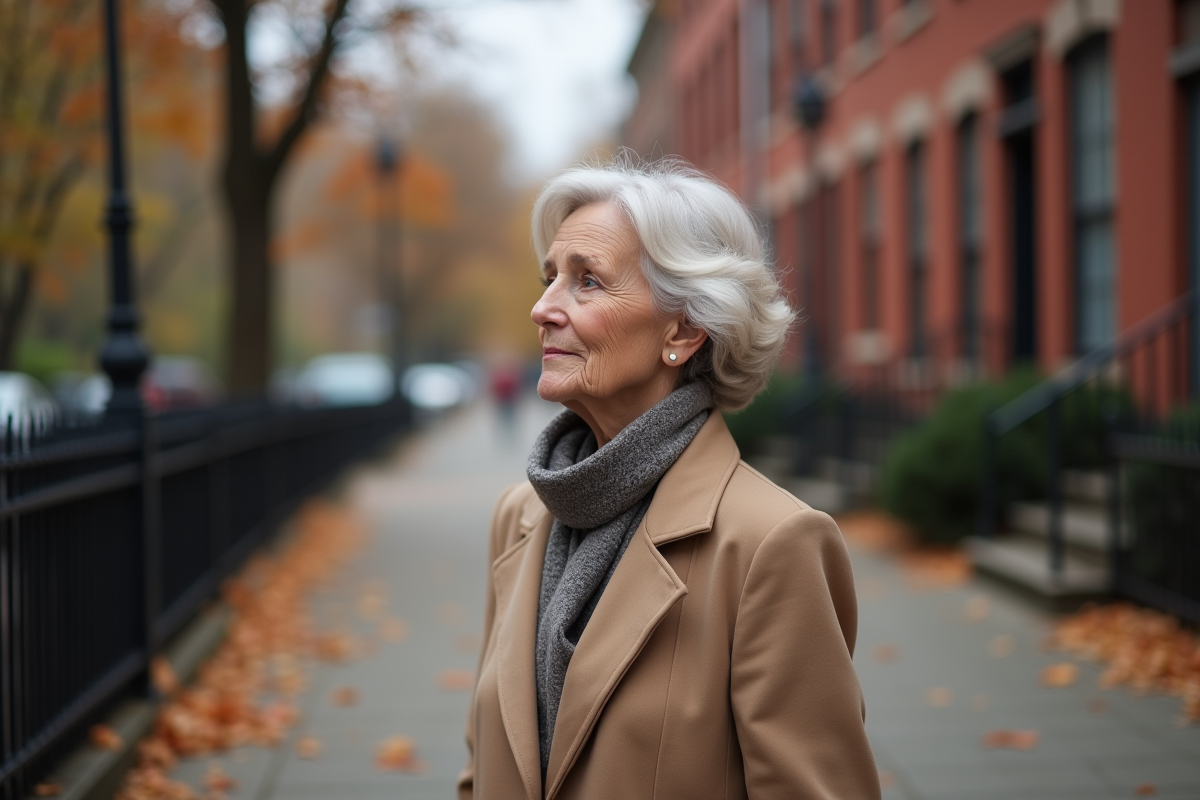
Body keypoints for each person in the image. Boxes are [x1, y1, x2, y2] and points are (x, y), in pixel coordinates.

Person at [458, 155, 880, 800]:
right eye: (549, 279)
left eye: (588, 282)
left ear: (682, 328)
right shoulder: (517, 517)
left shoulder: (772, 544)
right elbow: (483, 767)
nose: (542, 308)